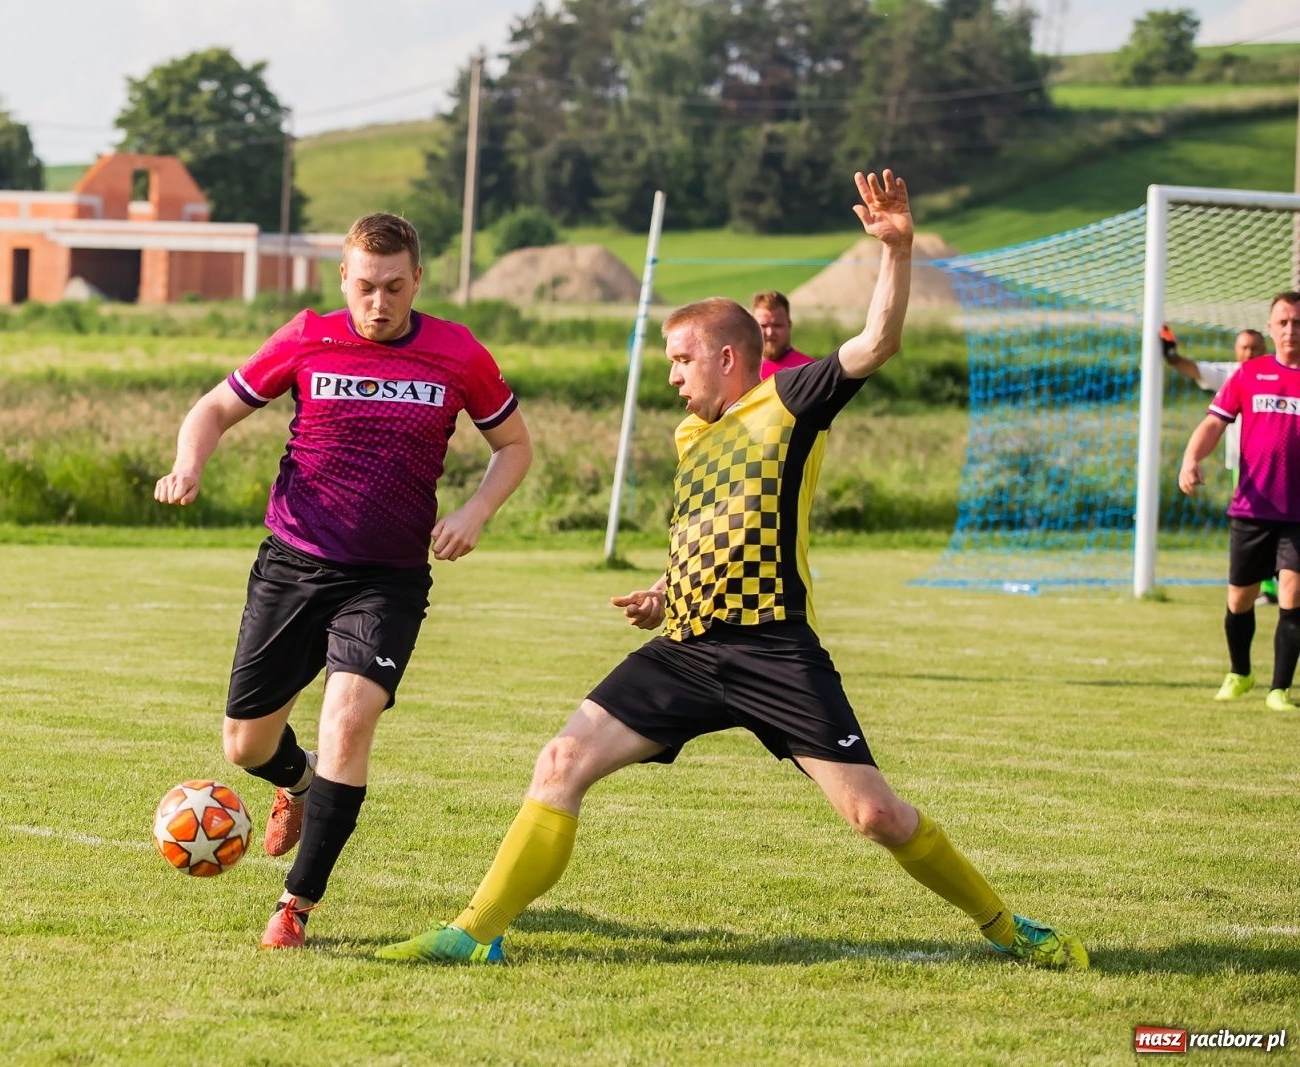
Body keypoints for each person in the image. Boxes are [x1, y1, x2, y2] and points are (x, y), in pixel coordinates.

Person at [377, 172, 1088, 969]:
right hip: (686, 646)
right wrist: (663, 592)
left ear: (726, 356)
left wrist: (897, 249)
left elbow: (877, 342)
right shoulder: (691, 437)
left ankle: (1005, 926)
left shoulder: (790, 401)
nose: (672, 376)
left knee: (875, 816)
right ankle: (472, 933)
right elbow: (712, 531)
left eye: (682, 361)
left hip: (772, 649)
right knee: (561, 759)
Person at [154, 213, 533, 949]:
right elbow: (215, 407)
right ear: (343, 280)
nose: (379, 303)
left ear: (417, 279)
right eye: (365, 287)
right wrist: (189, 464)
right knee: (244, 744)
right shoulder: (308, 336)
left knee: (348, 720)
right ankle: (295, 785)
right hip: (294, 563)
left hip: (387, 581)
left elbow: (513, 444)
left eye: (394, 287)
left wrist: (477, 509)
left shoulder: (456, 353)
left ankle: (294, 907)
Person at [1179, 293, 1300, 712]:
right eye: (1282, 322)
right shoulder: (1249, 375)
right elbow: (1214, 422)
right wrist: (1191, 458)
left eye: (1297, 322)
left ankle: (1279, 689)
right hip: (1252, 508)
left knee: (1292, 593)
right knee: (1239, 601)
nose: (1290, 329)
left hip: (1298, 515)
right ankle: (1241, 672)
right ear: (1270, 328)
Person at [1165, 326, 1277, 603]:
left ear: (1266, 349)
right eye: (1244, 347)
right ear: (1236, 350)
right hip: (1246, 468)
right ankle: (1267, 588)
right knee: (1257, 530)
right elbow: (1190, 369)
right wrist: (1168, 353)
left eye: (1255, 348)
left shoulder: (1280, 375)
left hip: (1284, 469)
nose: (1249, 353)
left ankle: (1275, 586)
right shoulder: (1232, 375)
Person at [750, 290, 814, 380]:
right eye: (763, 326)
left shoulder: (809, 370)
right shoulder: (740, 371)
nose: (770, 332)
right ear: (752, 327)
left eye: (777, 325)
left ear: (789, 325)